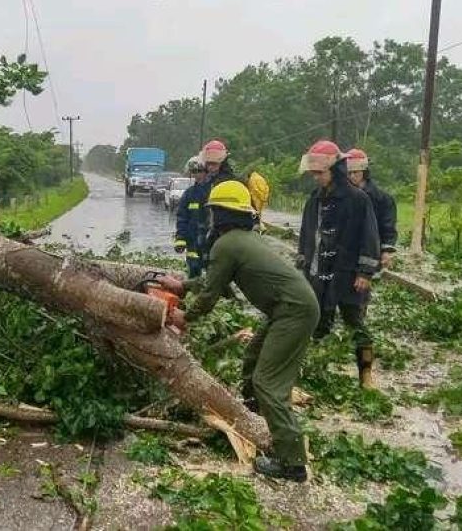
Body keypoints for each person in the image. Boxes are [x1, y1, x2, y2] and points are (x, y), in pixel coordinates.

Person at [159, 180, 319, 482]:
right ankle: (254, 417)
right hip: (290, 308)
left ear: (222, 214)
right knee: (252, 358)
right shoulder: (240, 239)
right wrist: (182, 285)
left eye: (214, 212)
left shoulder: (227, 243)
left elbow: (210, 295)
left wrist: (185, 317)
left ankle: (292, 463)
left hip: (293, 312)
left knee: (268, 383)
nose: (211, 218)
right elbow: (217, 282)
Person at [297, 140, 381, 388]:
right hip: (318, 274)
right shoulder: (314, 199)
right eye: (313, 173)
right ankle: (316, 369)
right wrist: (302, 262)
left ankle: (366, 375)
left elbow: (370, 238)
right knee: (318, 323)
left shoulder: (358, 200)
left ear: (335, 169)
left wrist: (365, 272)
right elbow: (306, 235)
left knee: (356, 324)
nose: (316, 178)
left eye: (320, 173)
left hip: (347, 274)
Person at [346, 148, 398, 269]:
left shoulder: (383, 199)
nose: (352, 176)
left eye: (356, 172)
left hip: (371, 253)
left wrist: (386, 251)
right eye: (349, 173)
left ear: (364, 171)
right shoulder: (342, 197)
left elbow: (388, 227)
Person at [174, 156, 211, 277]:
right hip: (193, 242)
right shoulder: (189, 194)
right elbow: (182, 218)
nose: (196, 175)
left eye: (199, 171)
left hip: (210, 241)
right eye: (194, 172)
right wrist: (180, 238)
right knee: (193, 272)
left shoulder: (214, 191)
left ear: (206, 172)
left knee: (212, 275)